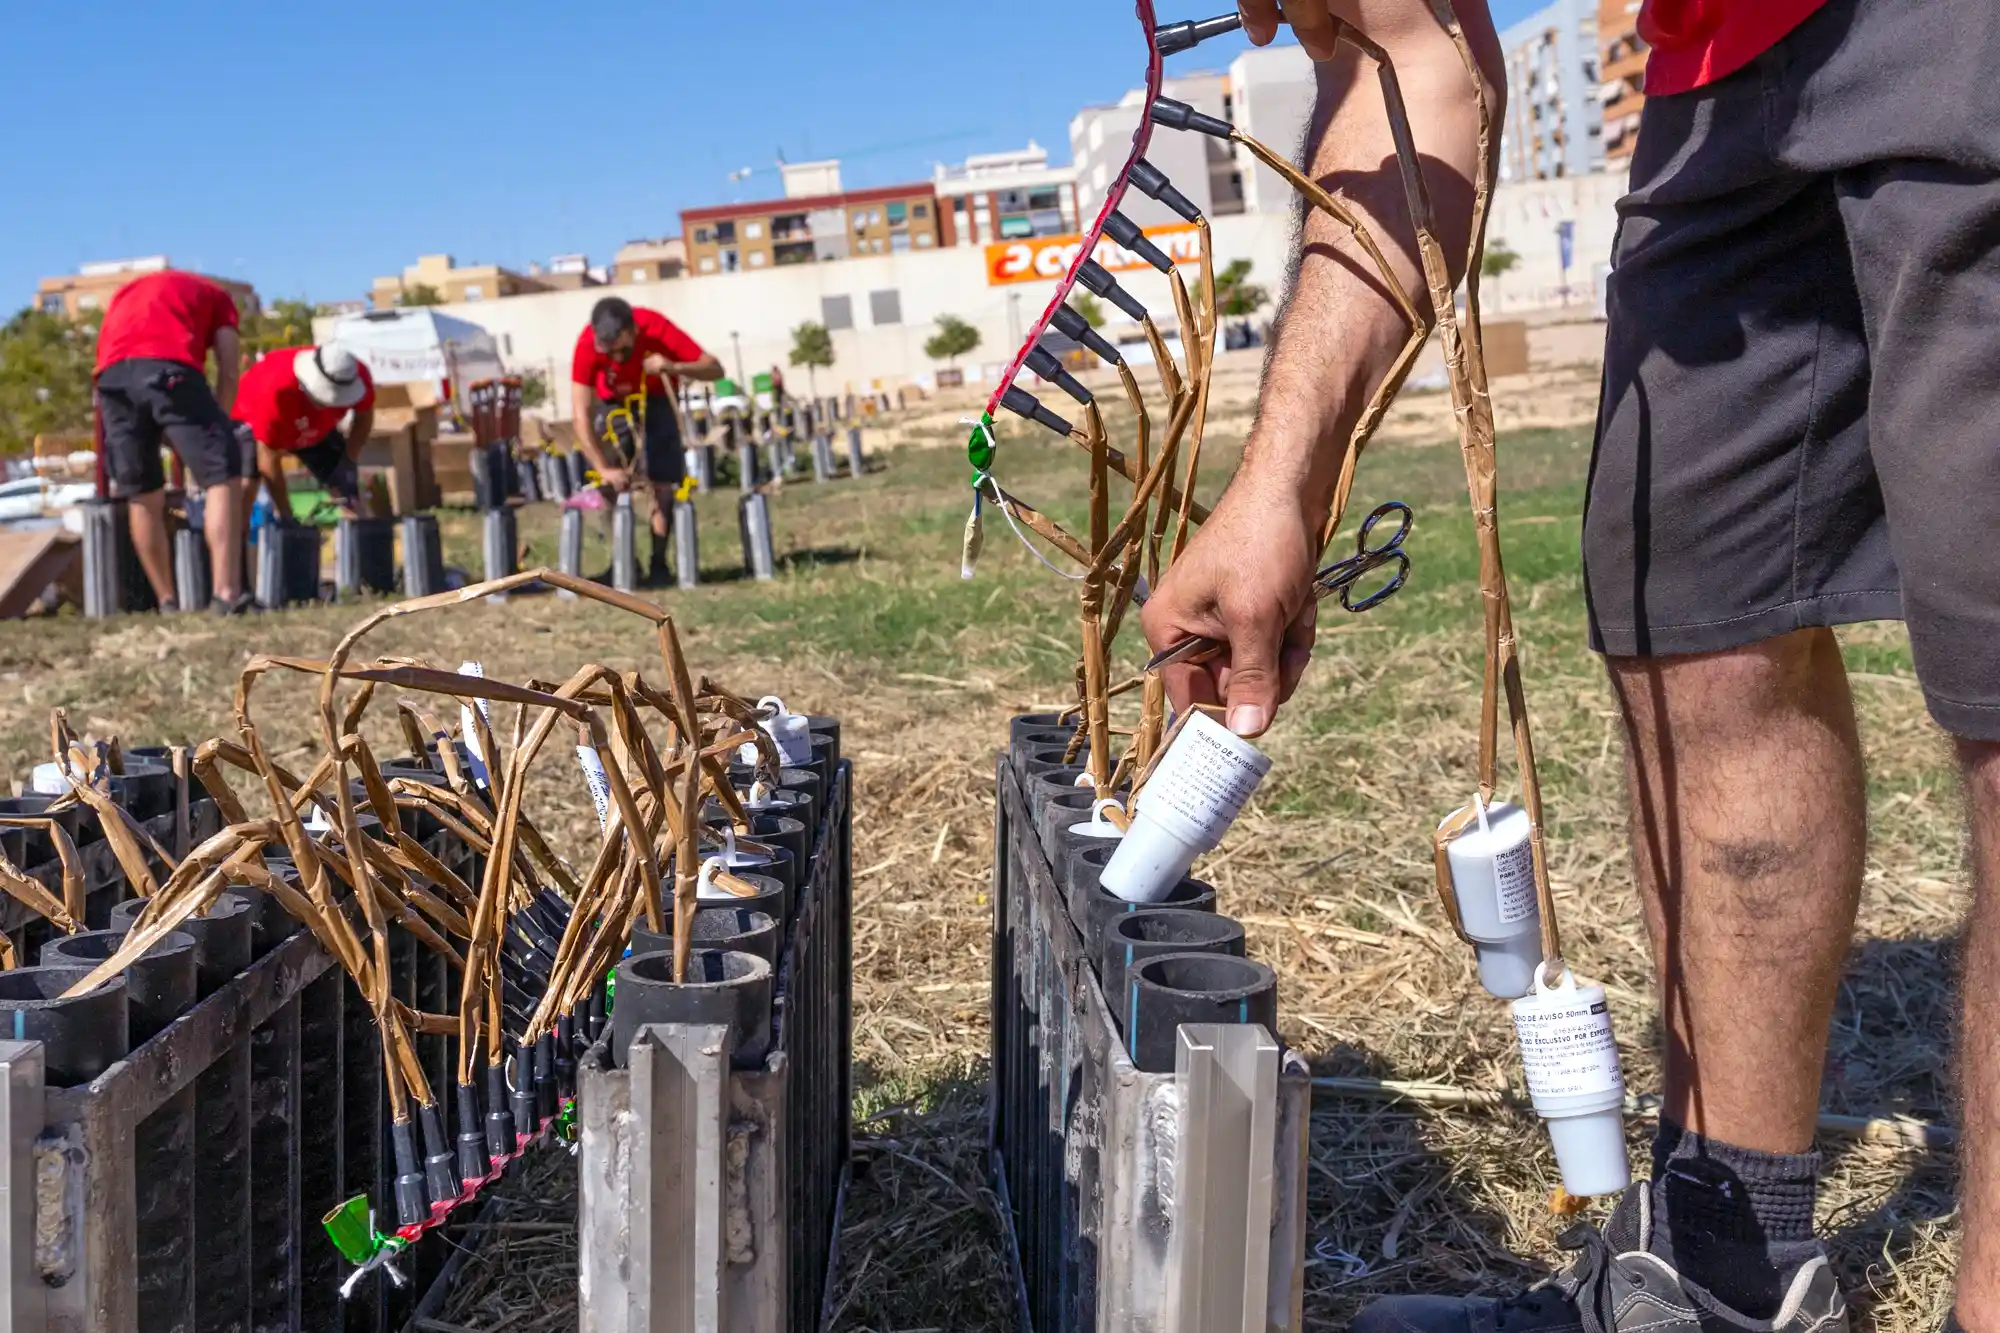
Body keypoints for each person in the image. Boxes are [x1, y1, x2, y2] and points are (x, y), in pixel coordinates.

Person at [1142, 0, 1993, 1330]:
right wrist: (1280, 488)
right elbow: (1410, 65)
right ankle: (1727, 1270)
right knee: (1694, 619)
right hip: (1720, 71)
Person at [92, 269, 253, 612]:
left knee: (142, 491)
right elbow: (227, 365)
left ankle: (167, 601)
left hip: (112, 380)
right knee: (222, 474)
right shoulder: (218, 297)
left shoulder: (128, 291)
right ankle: (227, 596)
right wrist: (219, 426)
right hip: (168, 368)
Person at [568, 296, 724, 583]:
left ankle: (659, 563)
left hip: (658, 397)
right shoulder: (587, 344)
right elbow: (580, 413)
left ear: (634, 331)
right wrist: (603, 468)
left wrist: (673, 367)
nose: (616, 358)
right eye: (608, 353)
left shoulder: (655, 327)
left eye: (622, 350)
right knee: (610, 482)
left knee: (662, 481)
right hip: (613, 402)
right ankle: (624, 562)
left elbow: (715, 368)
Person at [232, 344, 375, 521]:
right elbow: (267, 458)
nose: (331, 404)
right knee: (245, 491)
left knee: (350, 495)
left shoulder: (356, 375)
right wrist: (286, 515)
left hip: (316, 430)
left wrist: (348, 459)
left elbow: (364, 417)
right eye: (326, 398)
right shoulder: (273, 388)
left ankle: (361, 541)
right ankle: (238, 544)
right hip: (252, 421)